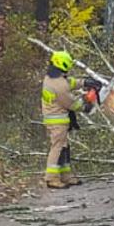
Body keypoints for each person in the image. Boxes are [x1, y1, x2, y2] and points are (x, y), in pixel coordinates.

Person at [41, 51, 94, 189]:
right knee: (57, 148)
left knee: (64, 148)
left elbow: (68, 82)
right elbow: (72, 104)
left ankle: (66, 175)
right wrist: (85, 105)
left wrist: (84, 82)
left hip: (55, 119)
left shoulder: (52, 78)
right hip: (57, 121)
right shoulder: (58, 84)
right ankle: (51, 178)